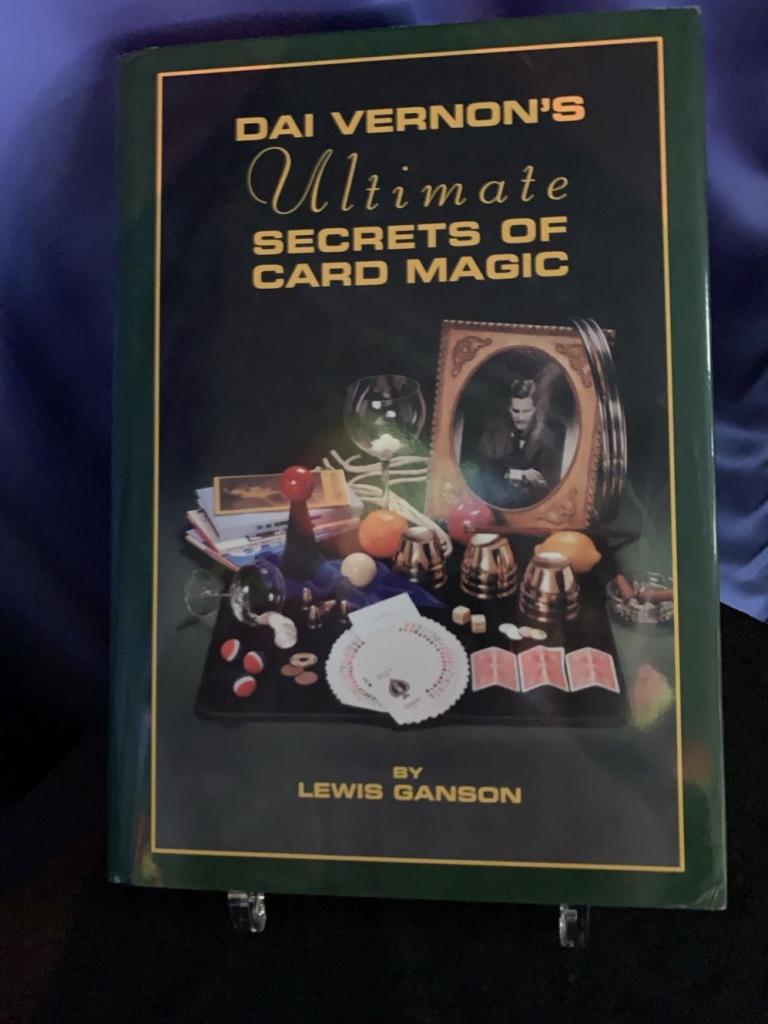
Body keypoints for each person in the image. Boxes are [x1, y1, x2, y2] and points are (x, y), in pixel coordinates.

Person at [471, 378, 563, 508]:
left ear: (535, 409)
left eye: (526, 411)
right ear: (509, 408)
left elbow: (550, 481)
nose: (520, 417)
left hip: (529, 506)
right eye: (516, 411)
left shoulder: (548, 437)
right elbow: (484, 464)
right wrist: (520, 475)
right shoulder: (494, 429)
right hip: (493, 498)